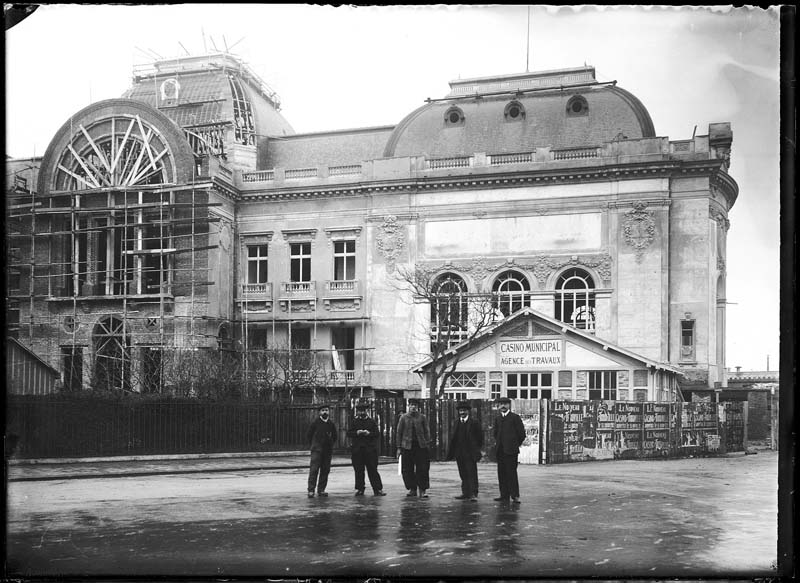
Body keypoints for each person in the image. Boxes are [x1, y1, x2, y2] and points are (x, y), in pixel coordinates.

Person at [346, 399, 386, 496]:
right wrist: (357, 433)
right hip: (357, 450)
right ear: (357, 412)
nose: (362, 412)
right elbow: (348, 433)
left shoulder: (371, 422)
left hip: (370, 450)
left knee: (372, 470)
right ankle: (360, 489)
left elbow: (377, 434)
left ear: (366, 411)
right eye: (360, 411)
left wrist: (369, 433)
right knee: (359, 470)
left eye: (363, 411)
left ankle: (377, 489)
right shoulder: (354, 422)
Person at [446, 400, 483, 501]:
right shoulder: (457, 422)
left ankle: (474, 494)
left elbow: (480, 438)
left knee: (472, 473)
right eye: (461, 411)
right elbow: (454, 437)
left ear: (468, 411)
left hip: (470, 453)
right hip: (459, 453)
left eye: (464, 410)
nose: (462, 413)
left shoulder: (474, 422)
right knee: (463, 474)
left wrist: (476, 449)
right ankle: (465, 493)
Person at [493, 396, 526, 504]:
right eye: (501, 404)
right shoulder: (497, 419)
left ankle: (515, 496)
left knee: (511, 473)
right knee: (501, 473)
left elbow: (521, 434)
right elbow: (495, 434)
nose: (503, 406)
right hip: (500, 451)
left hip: (511, 451)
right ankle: (504, 495)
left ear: (509, 405)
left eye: (505, 404)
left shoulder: (514, 418)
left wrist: (514, 444)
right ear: (498, 406)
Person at [396, 399, 431, 498]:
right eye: (411, 405)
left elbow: (427, 431)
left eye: (415, 405)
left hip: (420, 446)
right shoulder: (403, 418)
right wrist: (398, 447)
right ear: (409, 406)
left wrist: (427, 443)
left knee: (423, 469)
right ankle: (412, 489)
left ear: (418, 407)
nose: (413, 407)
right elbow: (399, 433)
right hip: (407, 447)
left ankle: (423, 490)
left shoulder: (422, 417)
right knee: (407, 469)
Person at [306, 404, 336, 498]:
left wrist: (330, 444)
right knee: (314, 470)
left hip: (327, 451)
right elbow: (309, 435)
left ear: (329, 412)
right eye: (323, 410)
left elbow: (335, 436)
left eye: (326, 410)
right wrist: (314, 445)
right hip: (317, 451)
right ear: (319, 412)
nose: (325, 412)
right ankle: (311, 490)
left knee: (325, 470)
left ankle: (321, 490)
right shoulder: (315, 423)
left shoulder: (331, 424)